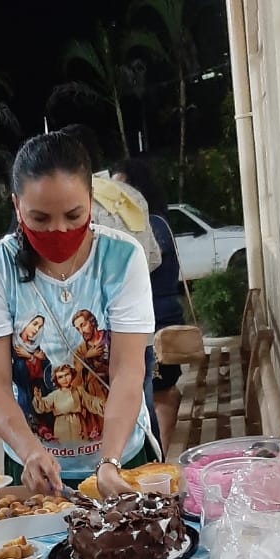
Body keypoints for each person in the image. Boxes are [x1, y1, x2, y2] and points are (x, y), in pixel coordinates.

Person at [0, 131, 155, 496]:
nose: (59, 230)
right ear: (17, 206)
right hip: (33, 465)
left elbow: (128, 370)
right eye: (40, 218)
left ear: (91, 201)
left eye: (74, 215)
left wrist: (109, 462)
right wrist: (29, 451)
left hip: (121, 456)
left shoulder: (122, 259)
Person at [61, 123, 162, 450]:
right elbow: (153, 259)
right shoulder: (130, 196)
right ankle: (155, 471)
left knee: (93, 422)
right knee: (143, 411)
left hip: (88, 338)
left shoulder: (68, 203)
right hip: (137, 329)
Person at [112, 156, 185, 460]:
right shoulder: (157, 222)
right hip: (161, 318)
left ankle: (160, 458)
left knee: (158, 394)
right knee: (161, 391)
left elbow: (137, 266)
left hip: (158, 324)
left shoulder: (148, 225)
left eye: (122, 188)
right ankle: (161, 456)